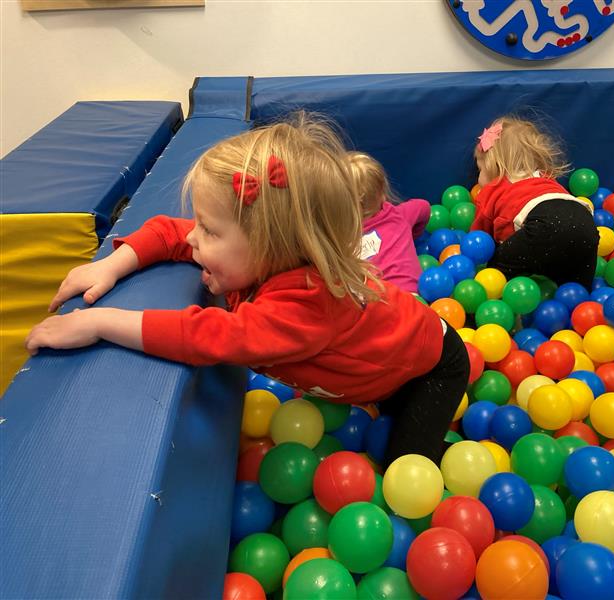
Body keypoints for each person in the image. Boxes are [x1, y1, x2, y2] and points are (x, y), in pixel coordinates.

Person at [26, 114, 468, 466]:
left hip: (430, 366)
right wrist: (110, 265)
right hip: (381, 361)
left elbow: (205, 336)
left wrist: (99, 321)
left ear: (271, 245)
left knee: (404, 471)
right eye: (200, 224)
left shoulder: (306, 305)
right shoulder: (256, 257)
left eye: (210, 231)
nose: (194, 239)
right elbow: (167, 232)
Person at [471, 115, 598, 289]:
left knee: (498, 268)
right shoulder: (545, 179)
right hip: (585, 223)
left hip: (544, 225)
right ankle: (581, 301)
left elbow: (481, 238)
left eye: (480, 170)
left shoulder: (493, 189)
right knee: (576, 287)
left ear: (495, 167)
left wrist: (476, 259)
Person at [347, 151, 430, 293]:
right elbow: (424, 207)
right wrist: (413, 235)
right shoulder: (398, 215)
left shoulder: (341, 237)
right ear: (383, 194)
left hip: (374, 304)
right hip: (412, 298)